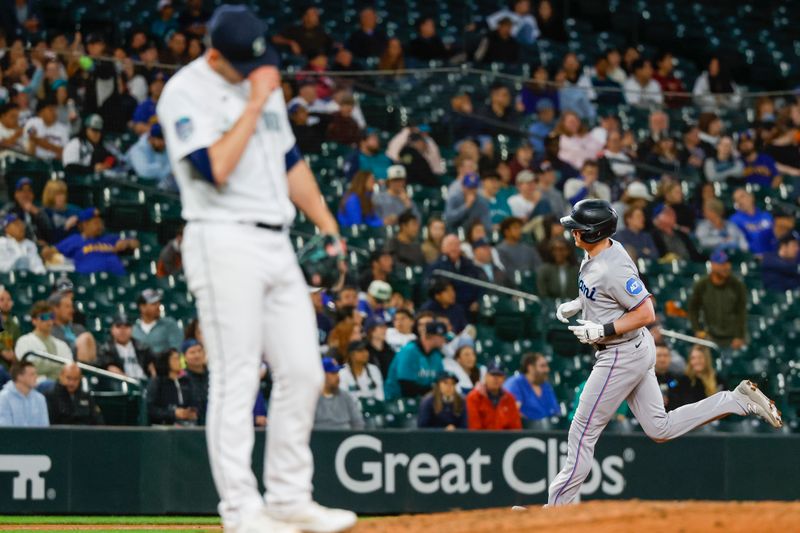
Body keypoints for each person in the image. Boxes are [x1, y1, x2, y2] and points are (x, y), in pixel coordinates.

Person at [157, 6, 355, 530]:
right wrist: (258, 99)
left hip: (277, 239)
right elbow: (213, 168)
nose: (254, 70)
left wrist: (330, 229)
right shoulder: (185, 91)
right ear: (215, 53)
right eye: (243, 64)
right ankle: (242, 511)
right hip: (221, 237)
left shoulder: (259, 77)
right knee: (237, 376)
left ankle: (290, 498)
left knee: (304, 372)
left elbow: (290, 163)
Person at [542, 199, 780, 508]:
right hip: (634, 350)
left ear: (591, 233)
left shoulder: (611, 266)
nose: (571, 232)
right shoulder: (603, 250)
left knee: (582, 433)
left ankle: (553, 513)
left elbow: (646, 312)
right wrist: (581, 303)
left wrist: (602, 330)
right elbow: (608, 293)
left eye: (577, 228)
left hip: (619, 354)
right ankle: (736, 400)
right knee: (660, 428)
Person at [688, 250, 747, 349]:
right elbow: (693, 309)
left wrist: (739, 336)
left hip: (732, 338)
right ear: (712, 265)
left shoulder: (737, 285)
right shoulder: (702, 284)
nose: (727, 267)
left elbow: (741, 312)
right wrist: (697, 330)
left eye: (728, 263)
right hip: (710, 336)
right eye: (722, 264)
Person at [55, 208, 139, 275]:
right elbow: (51, 252)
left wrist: (127, 243)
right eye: (96, 222)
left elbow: (136, 243)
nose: (100, 225)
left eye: (101, 222)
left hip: (116, 278)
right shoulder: (74, 239)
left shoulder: (110, 238)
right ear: (85, 224)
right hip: (88, 279)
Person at [384, 320, 446, 400]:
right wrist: (431, 391)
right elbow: (406, 386)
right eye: (441, 337)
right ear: (430, 336)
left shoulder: (436, 355)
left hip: (421, 400)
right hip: (397, 400)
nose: (444, 340)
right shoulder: (409, 351)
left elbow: (440, 380)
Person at [15, 301, 72, 381]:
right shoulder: (24, 341)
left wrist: (45, 364)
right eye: (44, 317)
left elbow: (69, 368)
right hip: (36, 384)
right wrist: (58, 365)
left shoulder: (62, 344)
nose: (49, 320)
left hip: (61, 384)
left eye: (51, 316)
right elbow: (31, 367)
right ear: (34, 321)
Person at [97, 312, 156, 379]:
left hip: (145, 382)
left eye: (127, 326)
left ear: (132, 329)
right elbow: (111, 369)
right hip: (122, 385)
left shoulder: (143, 347)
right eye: (118, 326)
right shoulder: (105, 349)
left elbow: (153, 368)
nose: (123, 330)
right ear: (112, 329)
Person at [147, 349, 197, 426]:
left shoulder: (187, 381)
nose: (180, 361)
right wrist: (173, 413)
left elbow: (193, 403)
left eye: (180, 358)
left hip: (187, 425)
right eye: (175, 358)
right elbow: (151, 409)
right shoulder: (157, 382)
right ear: (166, 361)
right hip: (162, 427)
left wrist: (191, 412)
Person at [504, 353, 560, 420]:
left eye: (546, 366)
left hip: (548, 428)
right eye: (542, 366)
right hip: (525, 428)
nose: (547, 370)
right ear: (530, 368)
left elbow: (555, 411)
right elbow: (512, 413)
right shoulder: (515, 383)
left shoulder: (546, 386)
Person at [466, 363, 522, 430]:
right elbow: (474, 428)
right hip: (481, 439)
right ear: (486, 376)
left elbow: (515, 427)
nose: (496, 378)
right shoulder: (474, 397)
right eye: (493, 375)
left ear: (504, 378)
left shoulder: (509, 398)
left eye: (499, 375)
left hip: (505, 439)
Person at [314, 356, 364, 430]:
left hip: (345, 438)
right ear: (322, 375)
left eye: (337, 372)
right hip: (320, 438)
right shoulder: (312, 398)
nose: (337, 376)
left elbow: (358, 423)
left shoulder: (345, 396)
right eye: (333, 373)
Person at [670, 345, 725, 410]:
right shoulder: (683, 380)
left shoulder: (718, 379)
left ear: (706, 359)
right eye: (693, 358)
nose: (696, 361)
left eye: (700, 358)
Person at [2, 177, 52, 244]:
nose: (26, 194)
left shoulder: (38, 211)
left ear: (33, 195)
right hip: (16, 247)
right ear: (16, 194)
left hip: (40, 249)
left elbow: (50, 234)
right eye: (22, 191)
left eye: (29, 191)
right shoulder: (9, 209)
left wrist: (38, 213)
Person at [132, 288, 184, 354]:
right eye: (154, 304)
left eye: (159, 303)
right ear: (142, 307)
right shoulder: (134, 330)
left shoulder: (169, 324)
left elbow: (176, 349)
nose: (158, 306)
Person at [48, 291, 95, 363]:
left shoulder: (79, 329)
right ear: (55, 309)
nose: (72, 310)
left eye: (71, 307)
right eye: (67, 307)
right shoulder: (50, 331)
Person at [0, 361, 48, 427]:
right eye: (32, 374)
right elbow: (5, 431)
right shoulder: (3, 398)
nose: (36, 377)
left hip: (36, 437)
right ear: (19, 377)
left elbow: (44, 428)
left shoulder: (40, 398)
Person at [730, 188, 774, 255]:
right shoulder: (735, 220)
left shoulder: (766, 215)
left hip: (772, 255)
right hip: (751, 257)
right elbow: (739, 243)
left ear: (751, 197)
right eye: (736, 200)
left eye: (742, 197)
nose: (740, 201)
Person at [181, 338, 209, 425]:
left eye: (200, 351)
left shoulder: (214, 376)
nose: (197, 355)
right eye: (192, 352)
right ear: (184, 357)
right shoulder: (181, 379)